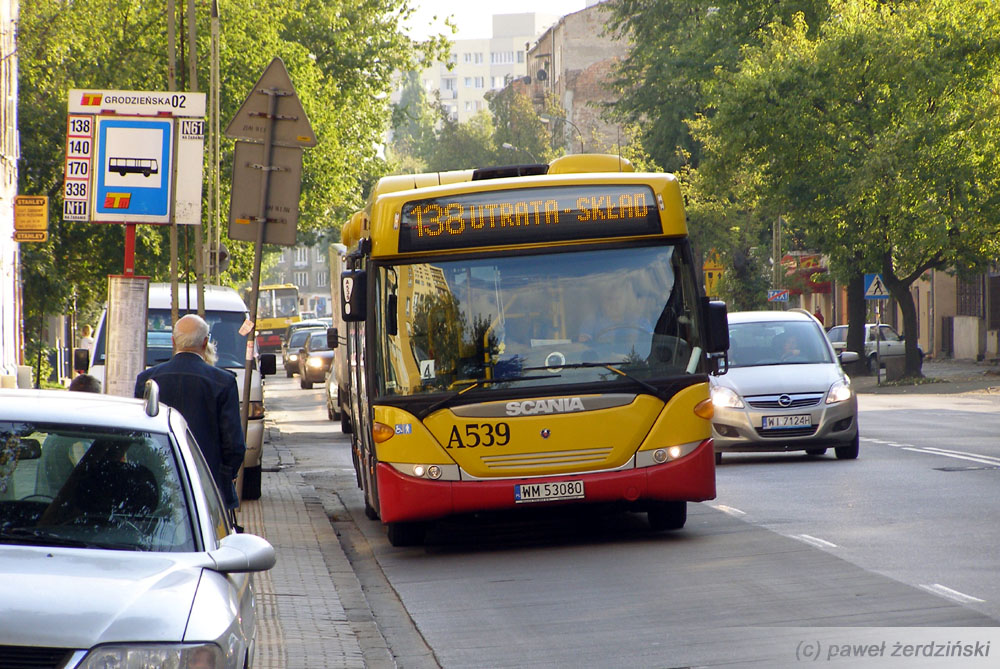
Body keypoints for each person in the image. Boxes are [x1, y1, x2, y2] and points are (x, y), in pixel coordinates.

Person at [134, 314, 245, 511]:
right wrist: (225, 475)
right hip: (207, 484)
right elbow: (234, 444)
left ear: (173, 341)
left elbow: (139, 436)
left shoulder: (148, 380)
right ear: (205, 342)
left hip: (160, 482)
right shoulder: (223, 382)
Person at [36, 374, 102, 497]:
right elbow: (93, 483)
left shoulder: (57, 434)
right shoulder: (78, 442)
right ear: (93, 401)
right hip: (66, 510)